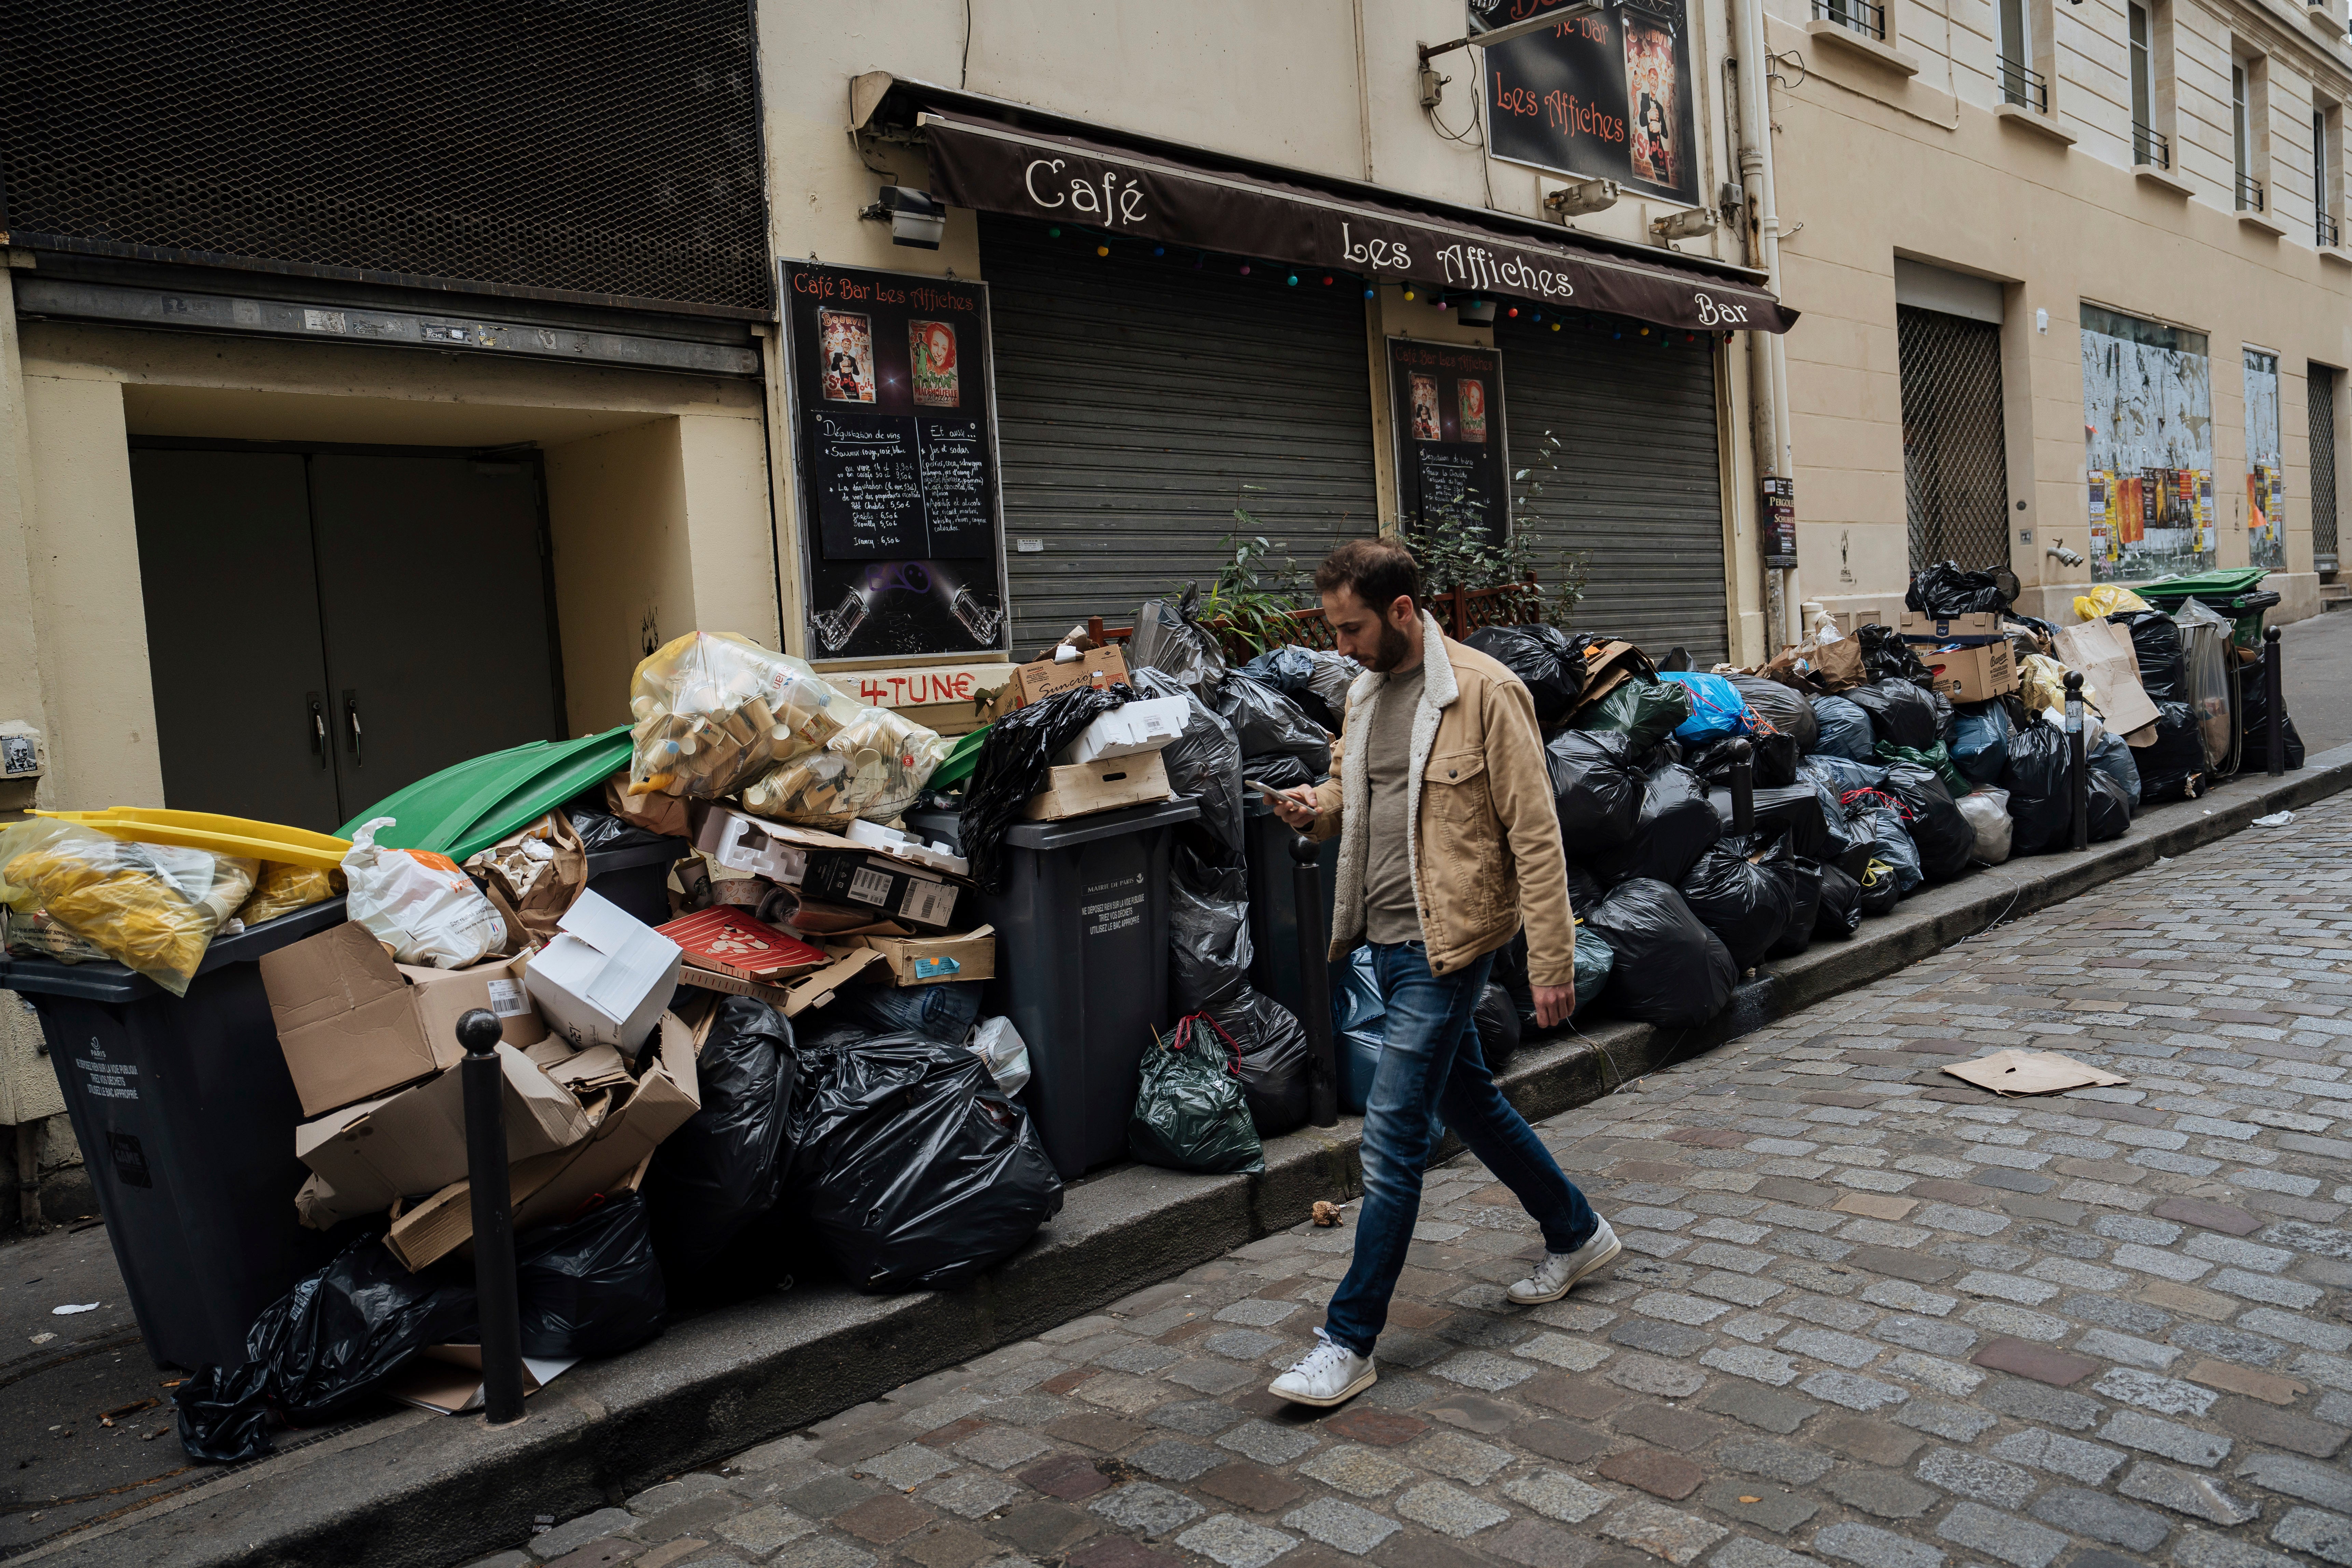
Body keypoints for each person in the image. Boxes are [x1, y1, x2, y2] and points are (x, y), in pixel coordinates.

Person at [1265, 538, 1618, 1409]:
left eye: (1350, 628)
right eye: (1332, 629)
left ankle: (1348, 1340)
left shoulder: (1486, 692)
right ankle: (1577, 1230)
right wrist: (1315, 807)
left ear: (1398, 611)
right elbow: (1354, 786)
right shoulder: (1362, 690)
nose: (1339, 646)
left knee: (1391, 1137)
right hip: (1381, 936)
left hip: (1449, 943)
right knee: (1468, 1099)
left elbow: (1537, 835)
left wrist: (1551, 959)